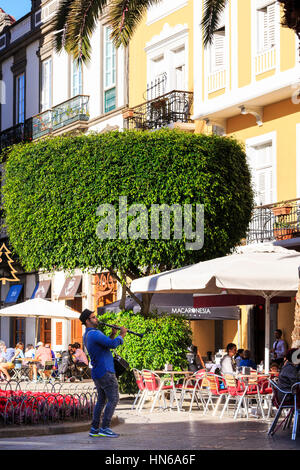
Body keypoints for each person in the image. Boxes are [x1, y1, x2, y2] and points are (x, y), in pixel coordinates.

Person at [80, 308, 127, 438]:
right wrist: (121, 335)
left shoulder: (88, 335)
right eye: (94, 317)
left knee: (101, 401)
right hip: (106, 371)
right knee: (114, 398)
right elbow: (112, 345)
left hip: (98, 372)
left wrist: (113, 334)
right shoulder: (95, 333)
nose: (97, 319)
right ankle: (105, 428)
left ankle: (94, 428)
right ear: (87, 321)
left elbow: (106, 344)